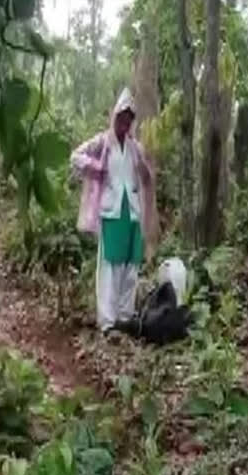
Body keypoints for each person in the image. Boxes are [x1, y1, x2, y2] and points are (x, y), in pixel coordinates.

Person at [70, 88, 159, 334]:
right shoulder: (103, 142)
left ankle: (125, 315)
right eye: (121, 118)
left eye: (129, 119)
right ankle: (107, 321)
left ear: (132, 122)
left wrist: (144, 169)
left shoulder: (135, 148)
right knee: (110, 265)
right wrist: (95, 167)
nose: (124, 123)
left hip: (132, 211)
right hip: (110, 210)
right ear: (115, 117)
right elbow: (75, 156)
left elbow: (148, 177)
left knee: (130, 265)